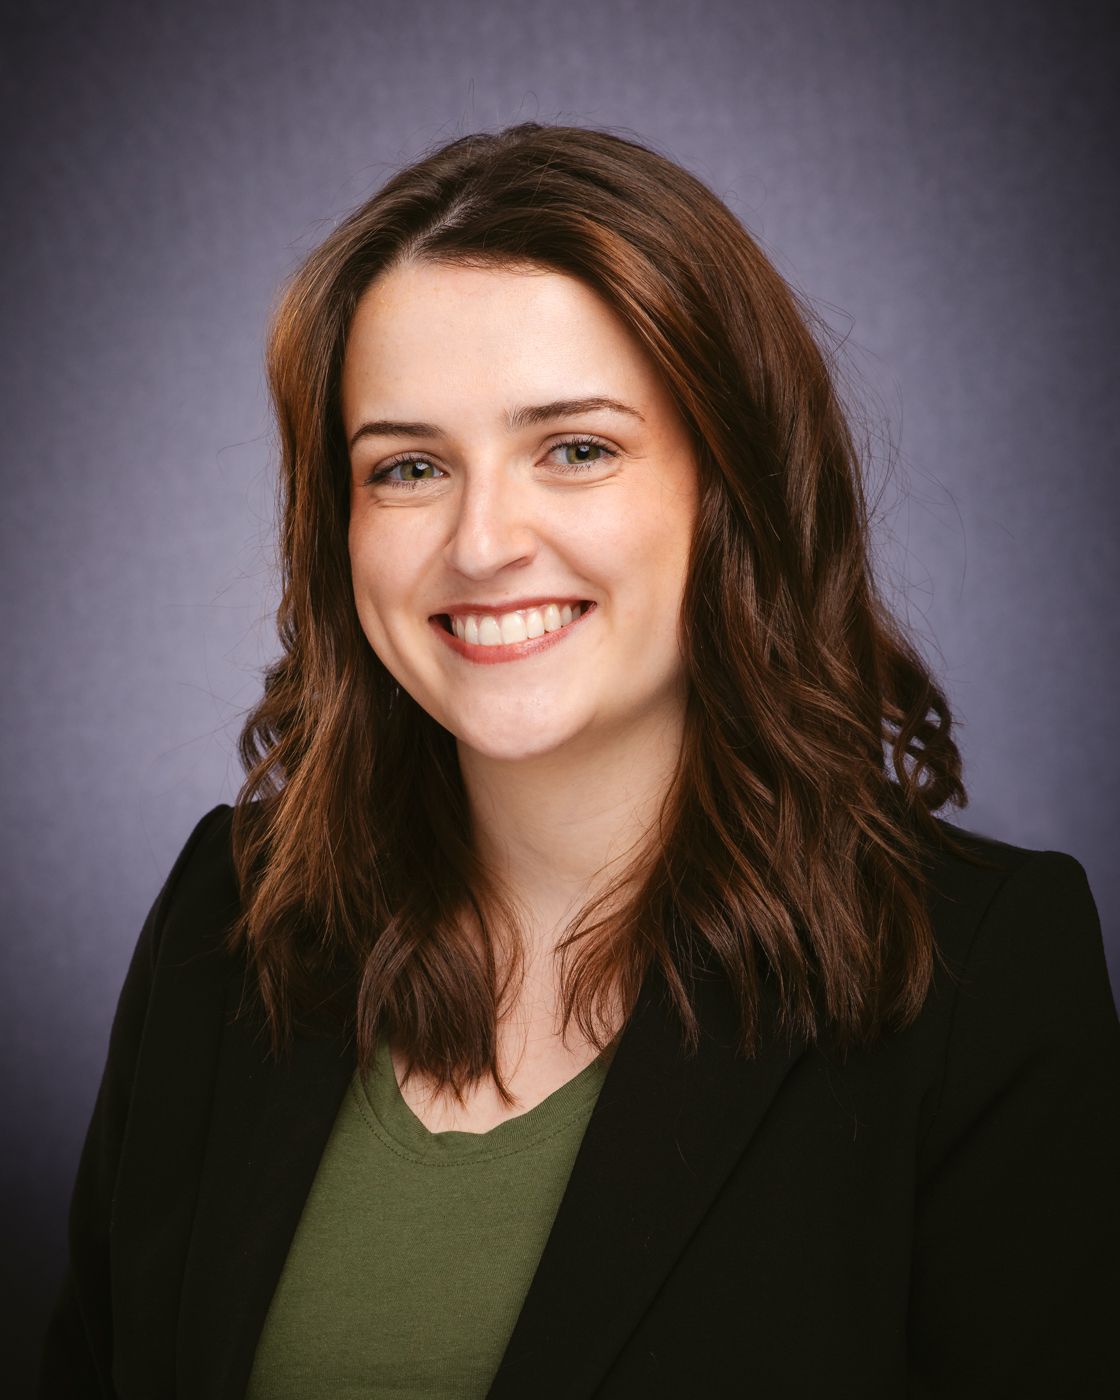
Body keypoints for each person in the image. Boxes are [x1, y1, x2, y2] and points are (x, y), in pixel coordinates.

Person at [39, 122, 1119, 1399]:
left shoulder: (978, 978)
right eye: (409, 467)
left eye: (576, 447)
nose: (483, 540)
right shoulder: (226, 919)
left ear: (732, 487)